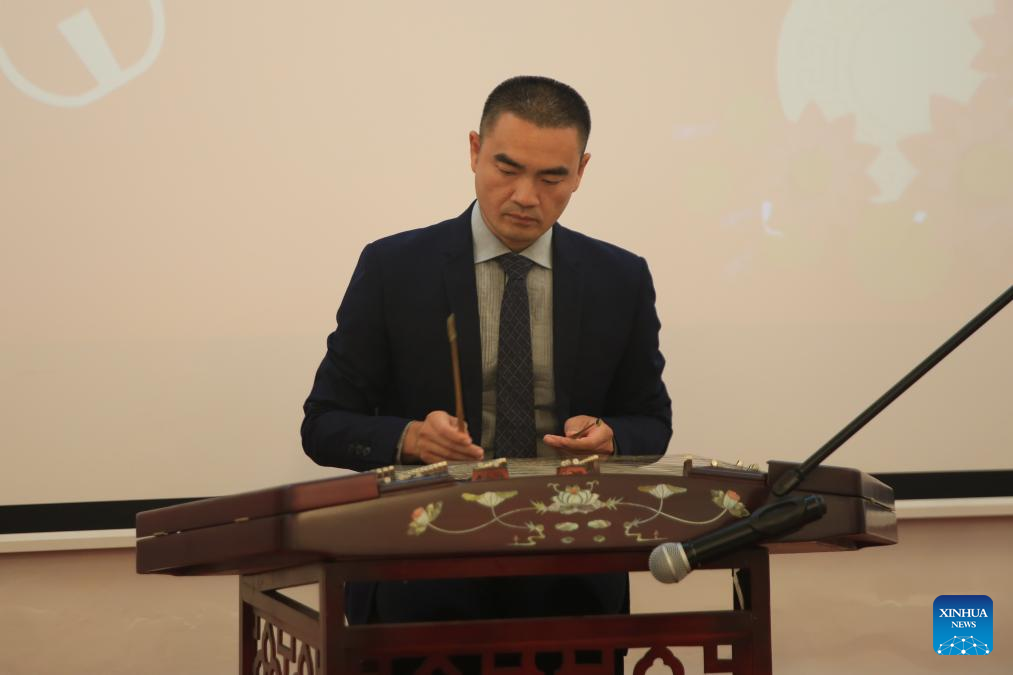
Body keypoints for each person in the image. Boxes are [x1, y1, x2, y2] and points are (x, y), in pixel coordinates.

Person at [302, 75, 672, 674]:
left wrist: (611, 437)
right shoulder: (395, 268)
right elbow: (323, 424)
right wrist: (410, 438)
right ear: (475, 151)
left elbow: (650, 421)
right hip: (419, 584)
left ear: (581, 171)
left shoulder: (619, 278)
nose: (525, 196)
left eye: (552, 178)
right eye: (507, 168)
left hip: (572, 589)